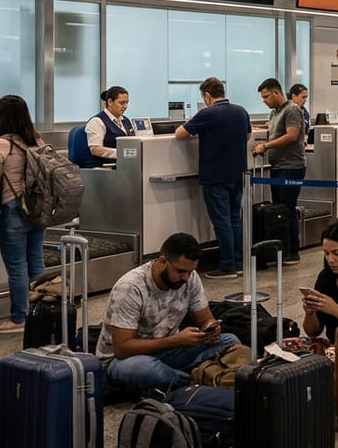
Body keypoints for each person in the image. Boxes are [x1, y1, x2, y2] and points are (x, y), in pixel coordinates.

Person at [97, 233, 239, 392]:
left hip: (168, 351)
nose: (185, 277)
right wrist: (176, 341)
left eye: (191, 272)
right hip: (124, 360)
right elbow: (122, 349)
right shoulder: (131, 287)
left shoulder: (189, 278)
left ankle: (183, 381)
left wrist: (211, 328)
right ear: (163, 261)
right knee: (143, 368)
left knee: (229, 341)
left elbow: (205, 319)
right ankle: (197, 385)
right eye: (180, 271)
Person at [175, 77, 252, 279]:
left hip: (216, 175)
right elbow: (247, 136)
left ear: (207, 96)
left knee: (221, 221)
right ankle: (239, 262)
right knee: (235, 218)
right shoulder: (241, 111)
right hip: (238, 173)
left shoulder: (207, 113)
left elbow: (180, 133)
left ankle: (227, 267)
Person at [0, 95, 47, 334]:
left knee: (17, 266)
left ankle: (19, 317)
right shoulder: (37, 140)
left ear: (3, 115)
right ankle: (41, 311)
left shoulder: (0, 144)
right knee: (36, 261)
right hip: (36, 208)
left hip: (12, 210)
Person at [254, 78, 307, 264]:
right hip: (278, 167)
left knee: (288, 208)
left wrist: (266, 146)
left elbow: (291, 136)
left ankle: (293, 251)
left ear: (276, 92)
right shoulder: (274, 113)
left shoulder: (292, 109)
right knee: (280, 210)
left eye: (267, 96)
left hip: (291, 167)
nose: (265, 100)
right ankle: (281, 249)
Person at [84, 85, 134, 166]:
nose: (125, 106)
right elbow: (95, 149)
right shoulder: (97, 121)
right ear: (110, 102)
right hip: (102, 168)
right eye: (121, 103)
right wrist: (121, 153)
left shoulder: (126, 121)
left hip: (122, 165)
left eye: (127, 102)